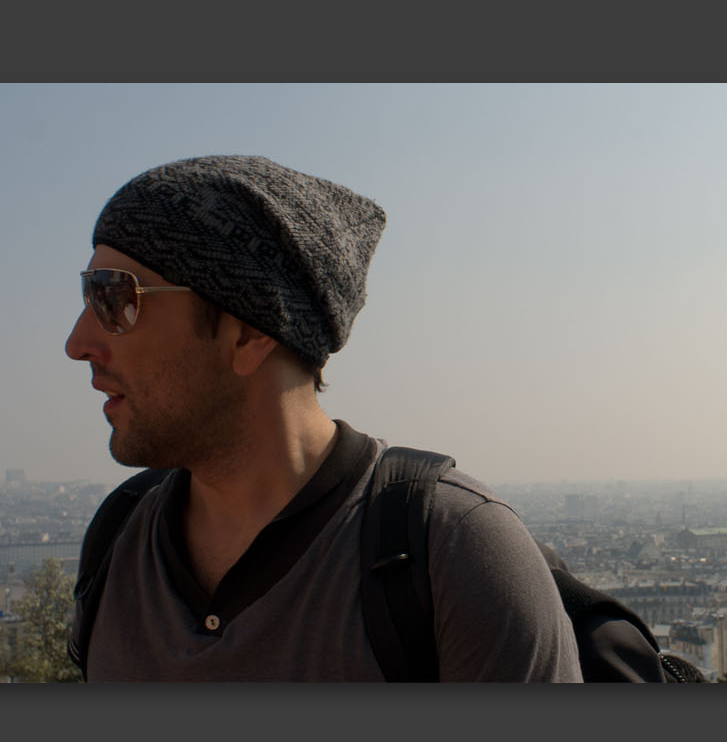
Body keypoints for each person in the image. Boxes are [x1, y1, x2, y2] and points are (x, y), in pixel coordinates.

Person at [62, 155, 581, 681]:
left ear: (248, 332)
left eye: (115, 299)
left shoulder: (456, 553)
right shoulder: (119, 536)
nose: (77, 344)